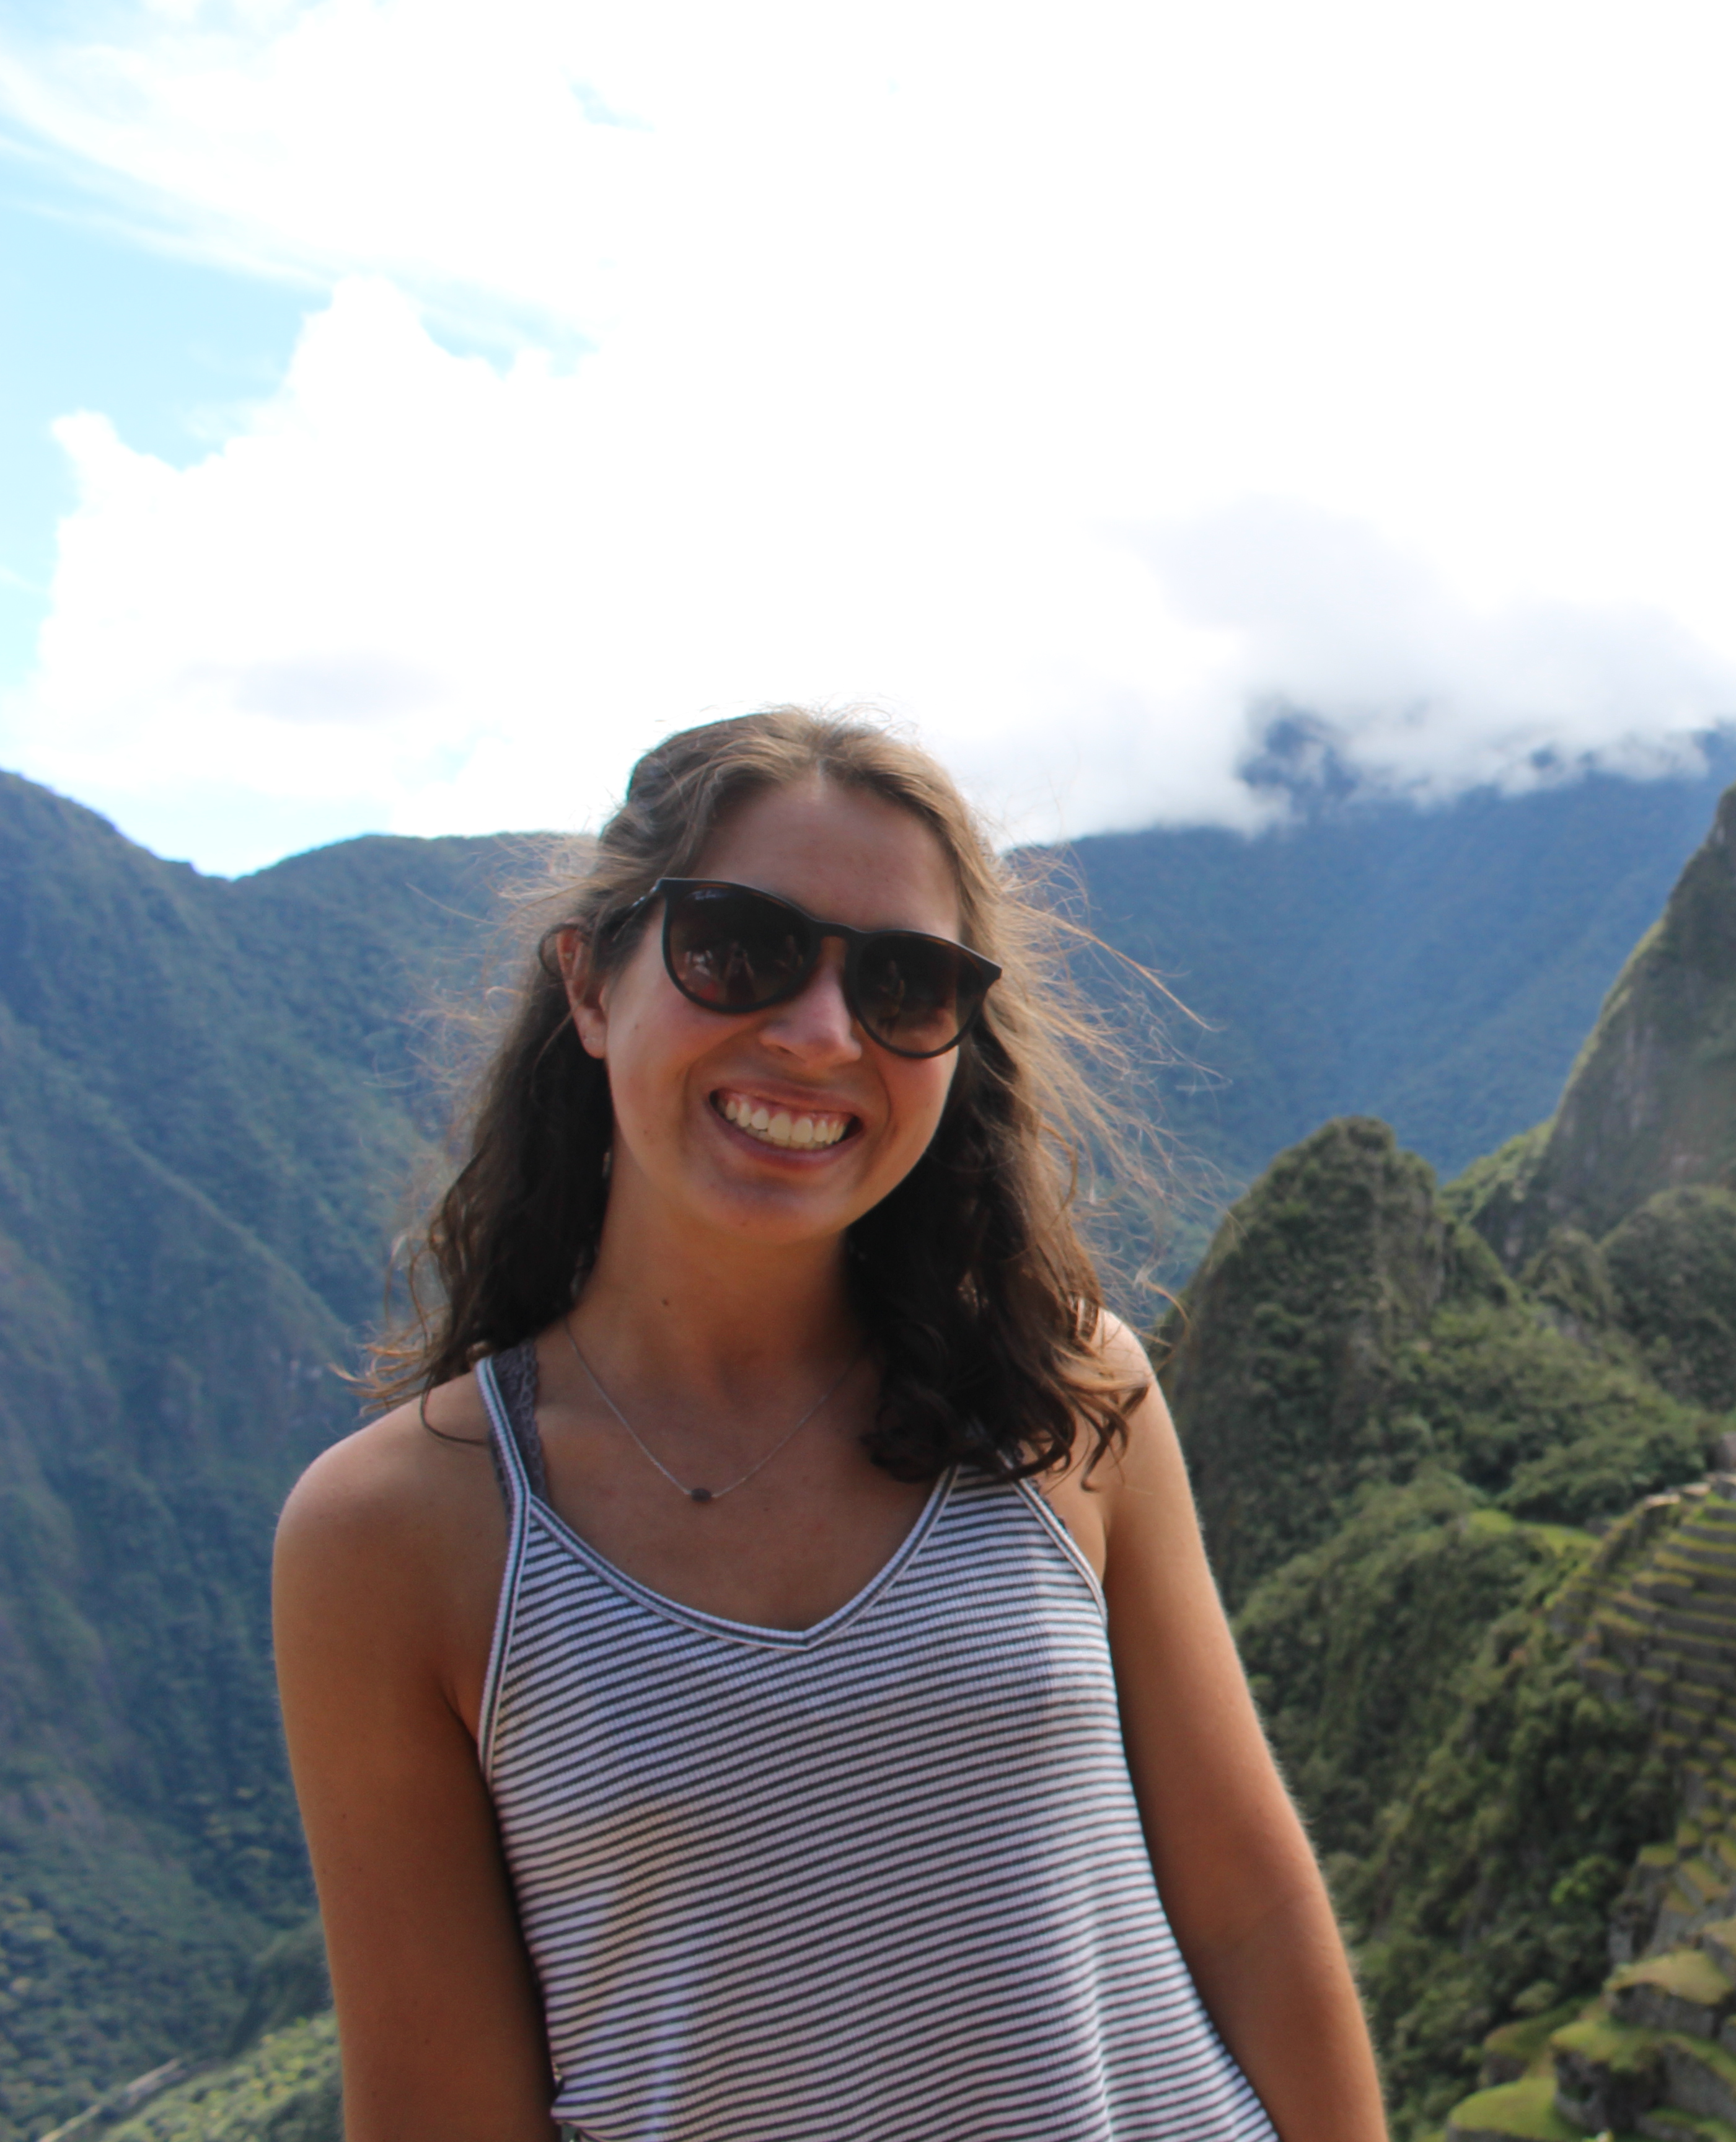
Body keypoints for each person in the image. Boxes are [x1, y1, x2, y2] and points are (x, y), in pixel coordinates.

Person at [273, 711, 1384, 2141]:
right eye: (740, 950)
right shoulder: (402, 1535)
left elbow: (1248, 1912)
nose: (819, 1035)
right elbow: (444, 2113)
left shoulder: (1058, 1398)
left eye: (903, 985)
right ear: (591, 985)